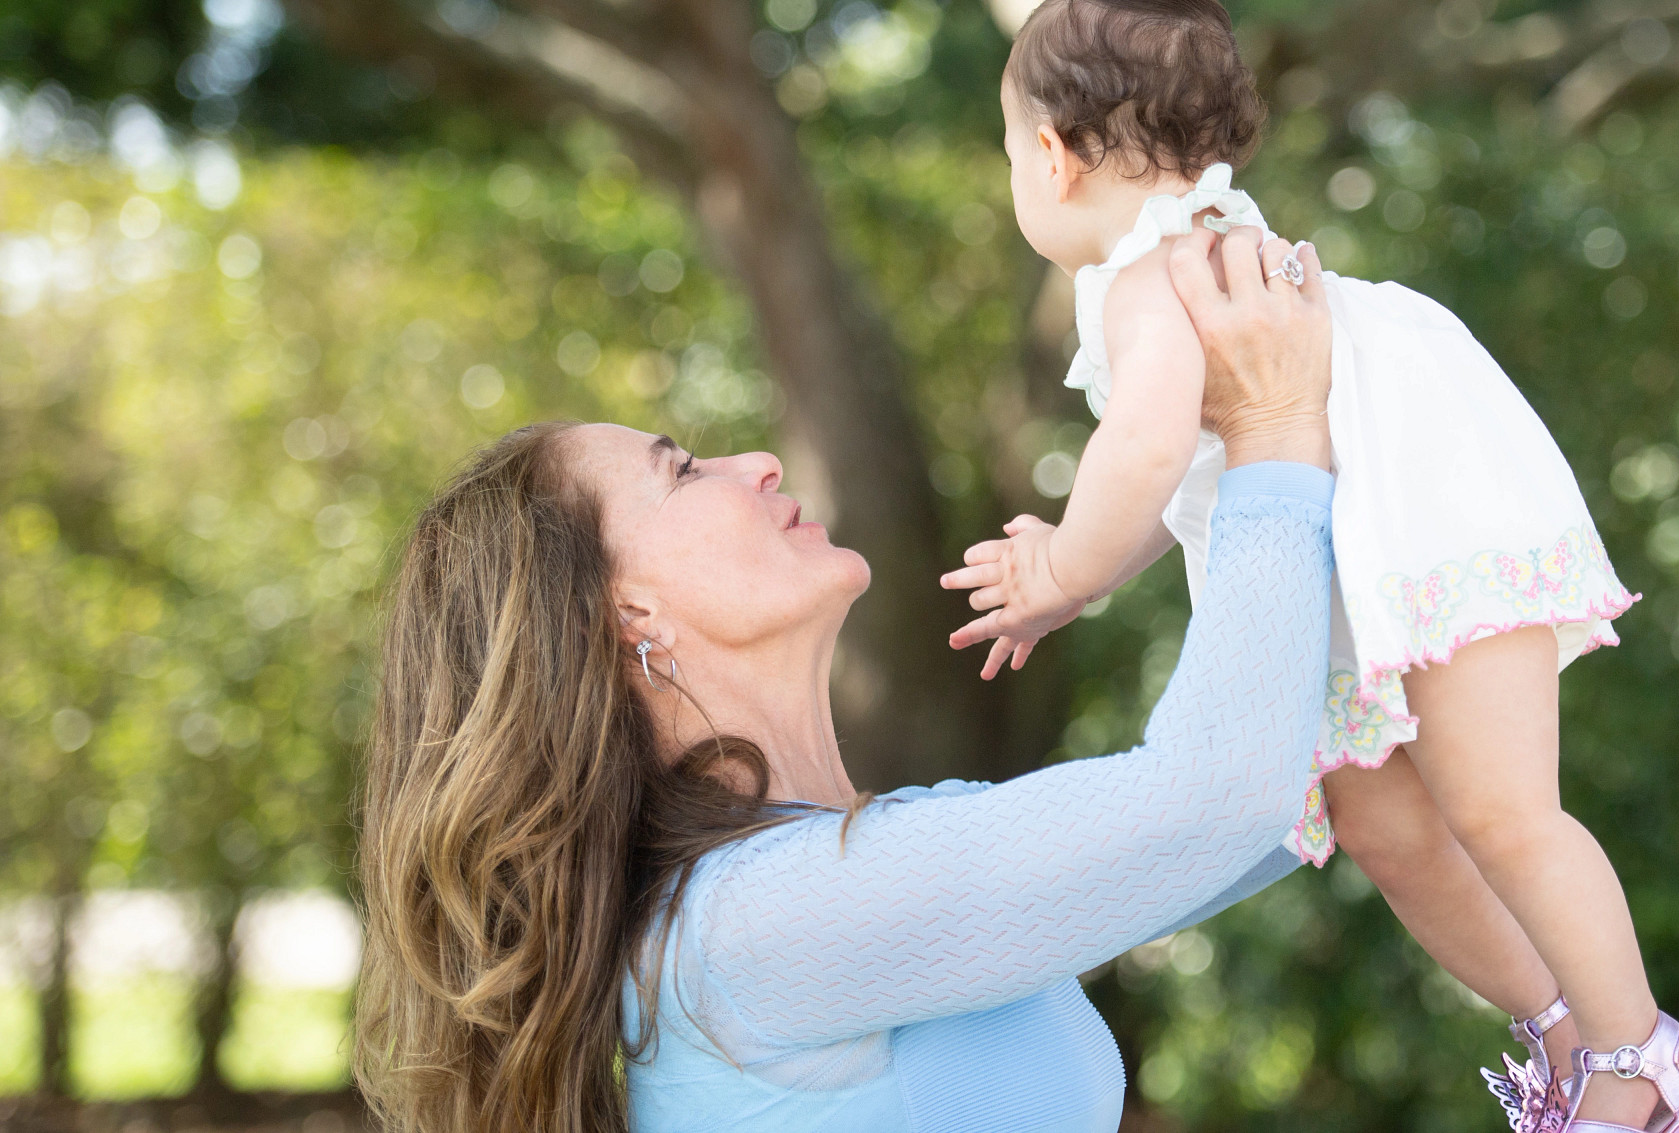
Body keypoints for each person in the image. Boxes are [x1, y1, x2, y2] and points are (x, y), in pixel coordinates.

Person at [945, 0, 1679, 1133]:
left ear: (1049, 155)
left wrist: (1062, 566)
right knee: (1376, 815)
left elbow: (1150, 449)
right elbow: (1195, 476)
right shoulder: (1199, 240)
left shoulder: (1140, 282)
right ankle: (1555, 1031)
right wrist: (1083, 573)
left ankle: (1633, 1062)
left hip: (1417, 505)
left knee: (1499, 806)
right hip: (1369, 524)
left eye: (1009, 152)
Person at [352, 223, 1337, 1132]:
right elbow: (1221, 799)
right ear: (623, 618)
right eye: (686, 471)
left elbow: (1290, 785)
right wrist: (1272, 424)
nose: (761, 464)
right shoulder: (741, 930)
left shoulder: (814, 886)